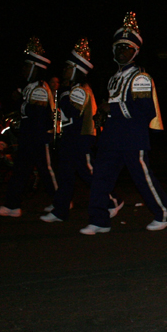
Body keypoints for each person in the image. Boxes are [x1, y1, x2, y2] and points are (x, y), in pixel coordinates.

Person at [79, 13, 167, 235]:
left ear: (135, 52)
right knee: (100, 178)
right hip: (112, 137)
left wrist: (110, 109)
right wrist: (104, 115)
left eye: (127, 48)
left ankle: (166, 214)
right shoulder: (114, 77)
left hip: (132, 137)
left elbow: (145, 111)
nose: (122, 51)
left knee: (143, 179)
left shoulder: (140, 78)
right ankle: (99, 219)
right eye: (119, 47)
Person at [41, 39, 123, 223]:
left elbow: (72, 113)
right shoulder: (71, 89)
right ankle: (60, 211)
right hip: (70, 138)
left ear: (77, 69)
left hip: (80, 138)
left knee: (89, 173)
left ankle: (113, 199)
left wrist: (61, 95)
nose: (65, 70)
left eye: (69, 67)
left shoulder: (79, 89)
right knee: (65, 175)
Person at [0, 38, 58, 217]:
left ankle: (61, 202)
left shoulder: (39, 88)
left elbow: (36, 114)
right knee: (21, 171)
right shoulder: (30, 87)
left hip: (37, 137)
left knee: (46, 171)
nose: (23, 69)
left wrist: (20, 100)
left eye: (27, 66)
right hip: (29, 137)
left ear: (36, 68)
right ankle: (12, 206)